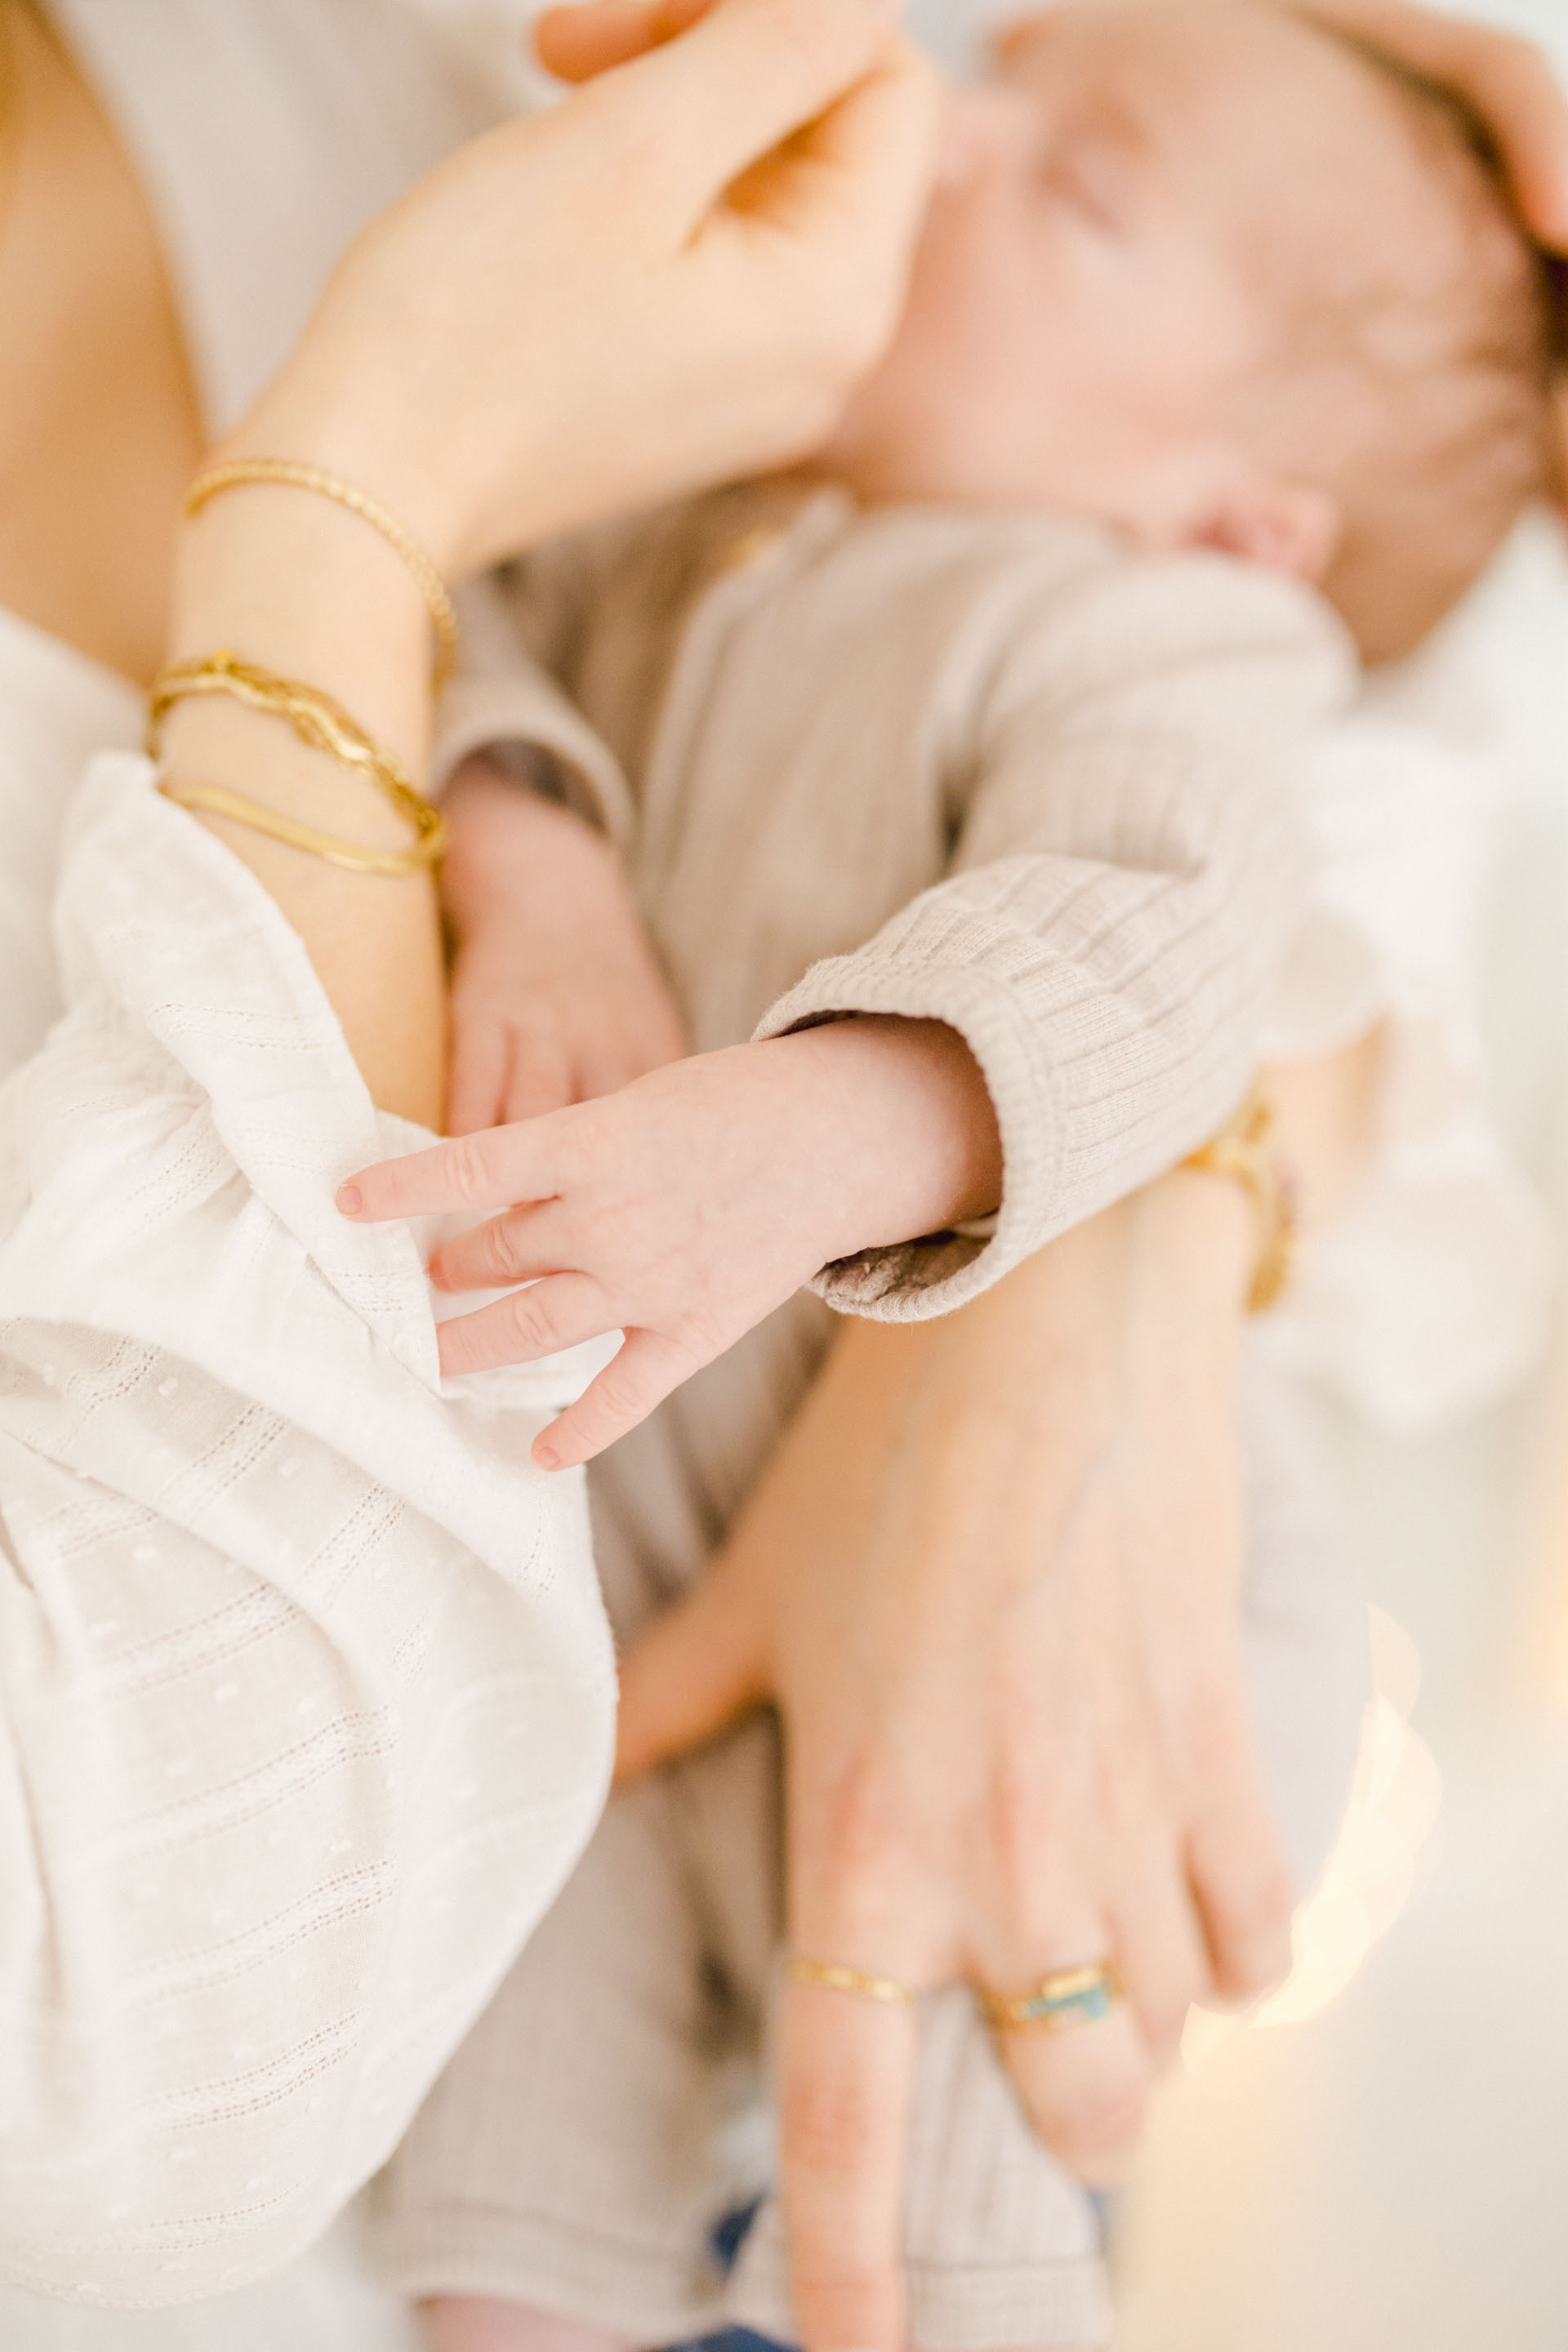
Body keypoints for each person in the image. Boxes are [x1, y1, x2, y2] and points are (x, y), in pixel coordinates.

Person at [0, 0, 1561, 2342]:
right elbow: (483, 662)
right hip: (619, 1565)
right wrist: (539, 880)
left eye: (1081, 187)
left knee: (940, 2143)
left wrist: (816, 1137)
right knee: (523, 2142)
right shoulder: (687, 525)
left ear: (1239, 517)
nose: (955, 139)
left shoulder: (1156, 635)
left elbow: (1150, 925)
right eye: (1010, 98)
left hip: (1064, 1604)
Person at [0, 0, 940, 2306]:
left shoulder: (397, 92)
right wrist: (366, 474)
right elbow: (147, 2030)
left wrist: (1048, 1264)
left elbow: (1261, 756)